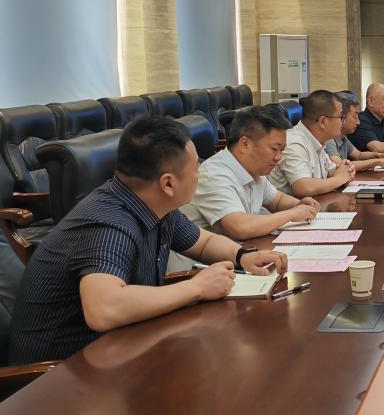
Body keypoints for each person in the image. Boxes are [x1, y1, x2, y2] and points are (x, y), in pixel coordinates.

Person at [8, 117, 287, 364]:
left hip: (118, 348)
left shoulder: (154, 205)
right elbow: (104, 309)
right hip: (61, 373)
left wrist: (243, 256)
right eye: (195, 168)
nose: (200, 174)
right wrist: (197, 287)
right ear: (168, 183)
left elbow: (201, 242)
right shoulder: (109, 222)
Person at [181, 105, 322, 240]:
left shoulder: (252, 168)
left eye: (282, 150)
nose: (278, 157)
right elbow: (240, 227)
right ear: (245, 144)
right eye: (275, 149)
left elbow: (277, 201)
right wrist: (291, 214)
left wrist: (299, 205)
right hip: (206, 256)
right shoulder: (213, 175)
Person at [268, 90, 356, 197]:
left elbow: (331, 170)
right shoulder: (294, 142)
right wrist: (340, 179)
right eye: (341, 117)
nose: (342, 121)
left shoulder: (316, 139)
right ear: (323, 121)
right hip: (288, 207)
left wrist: (345, 170)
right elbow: (304, 187)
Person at [326, 91, 384, 172]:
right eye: (355, 116)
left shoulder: (342, 137)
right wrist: (377, 162)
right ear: (342, 116)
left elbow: (358, 155)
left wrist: (379, 155)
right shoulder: (328, 138)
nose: (358, 122)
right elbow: (340, 166)